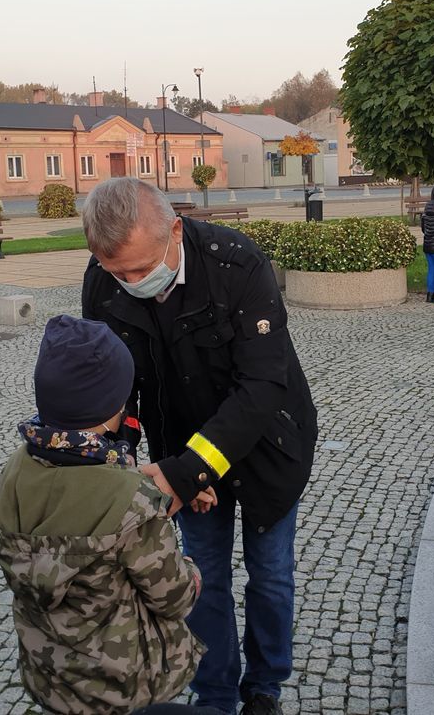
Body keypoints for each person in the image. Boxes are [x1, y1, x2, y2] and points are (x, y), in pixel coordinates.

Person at [80, 178, 317, 715]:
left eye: (141, 268)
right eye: (119, 272)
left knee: (271, 578)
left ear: (175, 231)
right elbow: (114, 384)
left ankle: (264, 688)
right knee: (200, 579)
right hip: (181, 450)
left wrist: (190, 472)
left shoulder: (238, 264)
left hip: (268, 444)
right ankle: (214, 696)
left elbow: (260, 387)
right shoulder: (103, 279)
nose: (132, 282)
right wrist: (116, 460)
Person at [0, 315, 209, 715]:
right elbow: (174, 597)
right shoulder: (132, 502)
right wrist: (192, 568)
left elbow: (69, 498)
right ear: (115, 407)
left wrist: (133, 487)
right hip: (121, 684)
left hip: (50, 676)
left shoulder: (12, 474)